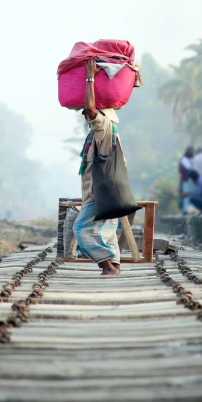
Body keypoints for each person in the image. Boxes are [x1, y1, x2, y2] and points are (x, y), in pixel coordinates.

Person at [73, 59, 122, 277]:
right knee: (107, 230)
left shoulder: (102, 125)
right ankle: (114, 267)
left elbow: (90, 109)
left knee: (81, 229)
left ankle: (107, 267)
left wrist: (90, 76)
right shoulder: (111, 123)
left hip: (99, 191)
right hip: (111, 188)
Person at [178, 146, 194, 212]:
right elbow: (189, 168)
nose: (192, 152)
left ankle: (190, 210)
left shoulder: (190, 158)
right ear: (188, 151)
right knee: (186, 195)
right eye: (191, 151)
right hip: (186, 180)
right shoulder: (184, 159)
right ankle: (186, 210)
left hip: (190, 180)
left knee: (189, 195)